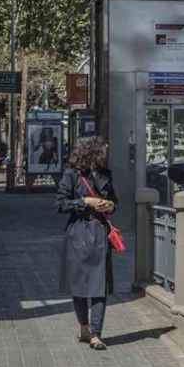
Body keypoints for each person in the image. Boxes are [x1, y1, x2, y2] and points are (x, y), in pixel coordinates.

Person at [57, 137, 117, 350]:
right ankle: (84, 327)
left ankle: (96, 334)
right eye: (104, 150)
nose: (107, 153)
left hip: (100, 232)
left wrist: (109, 205)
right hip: (78, 234)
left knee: (100, 285)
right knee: (80, 284)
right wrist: (84, 201)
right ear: (93, 152)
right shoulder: (71, 174)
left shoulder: (105, 174)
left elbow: (114, 203)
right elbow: (61, 204)